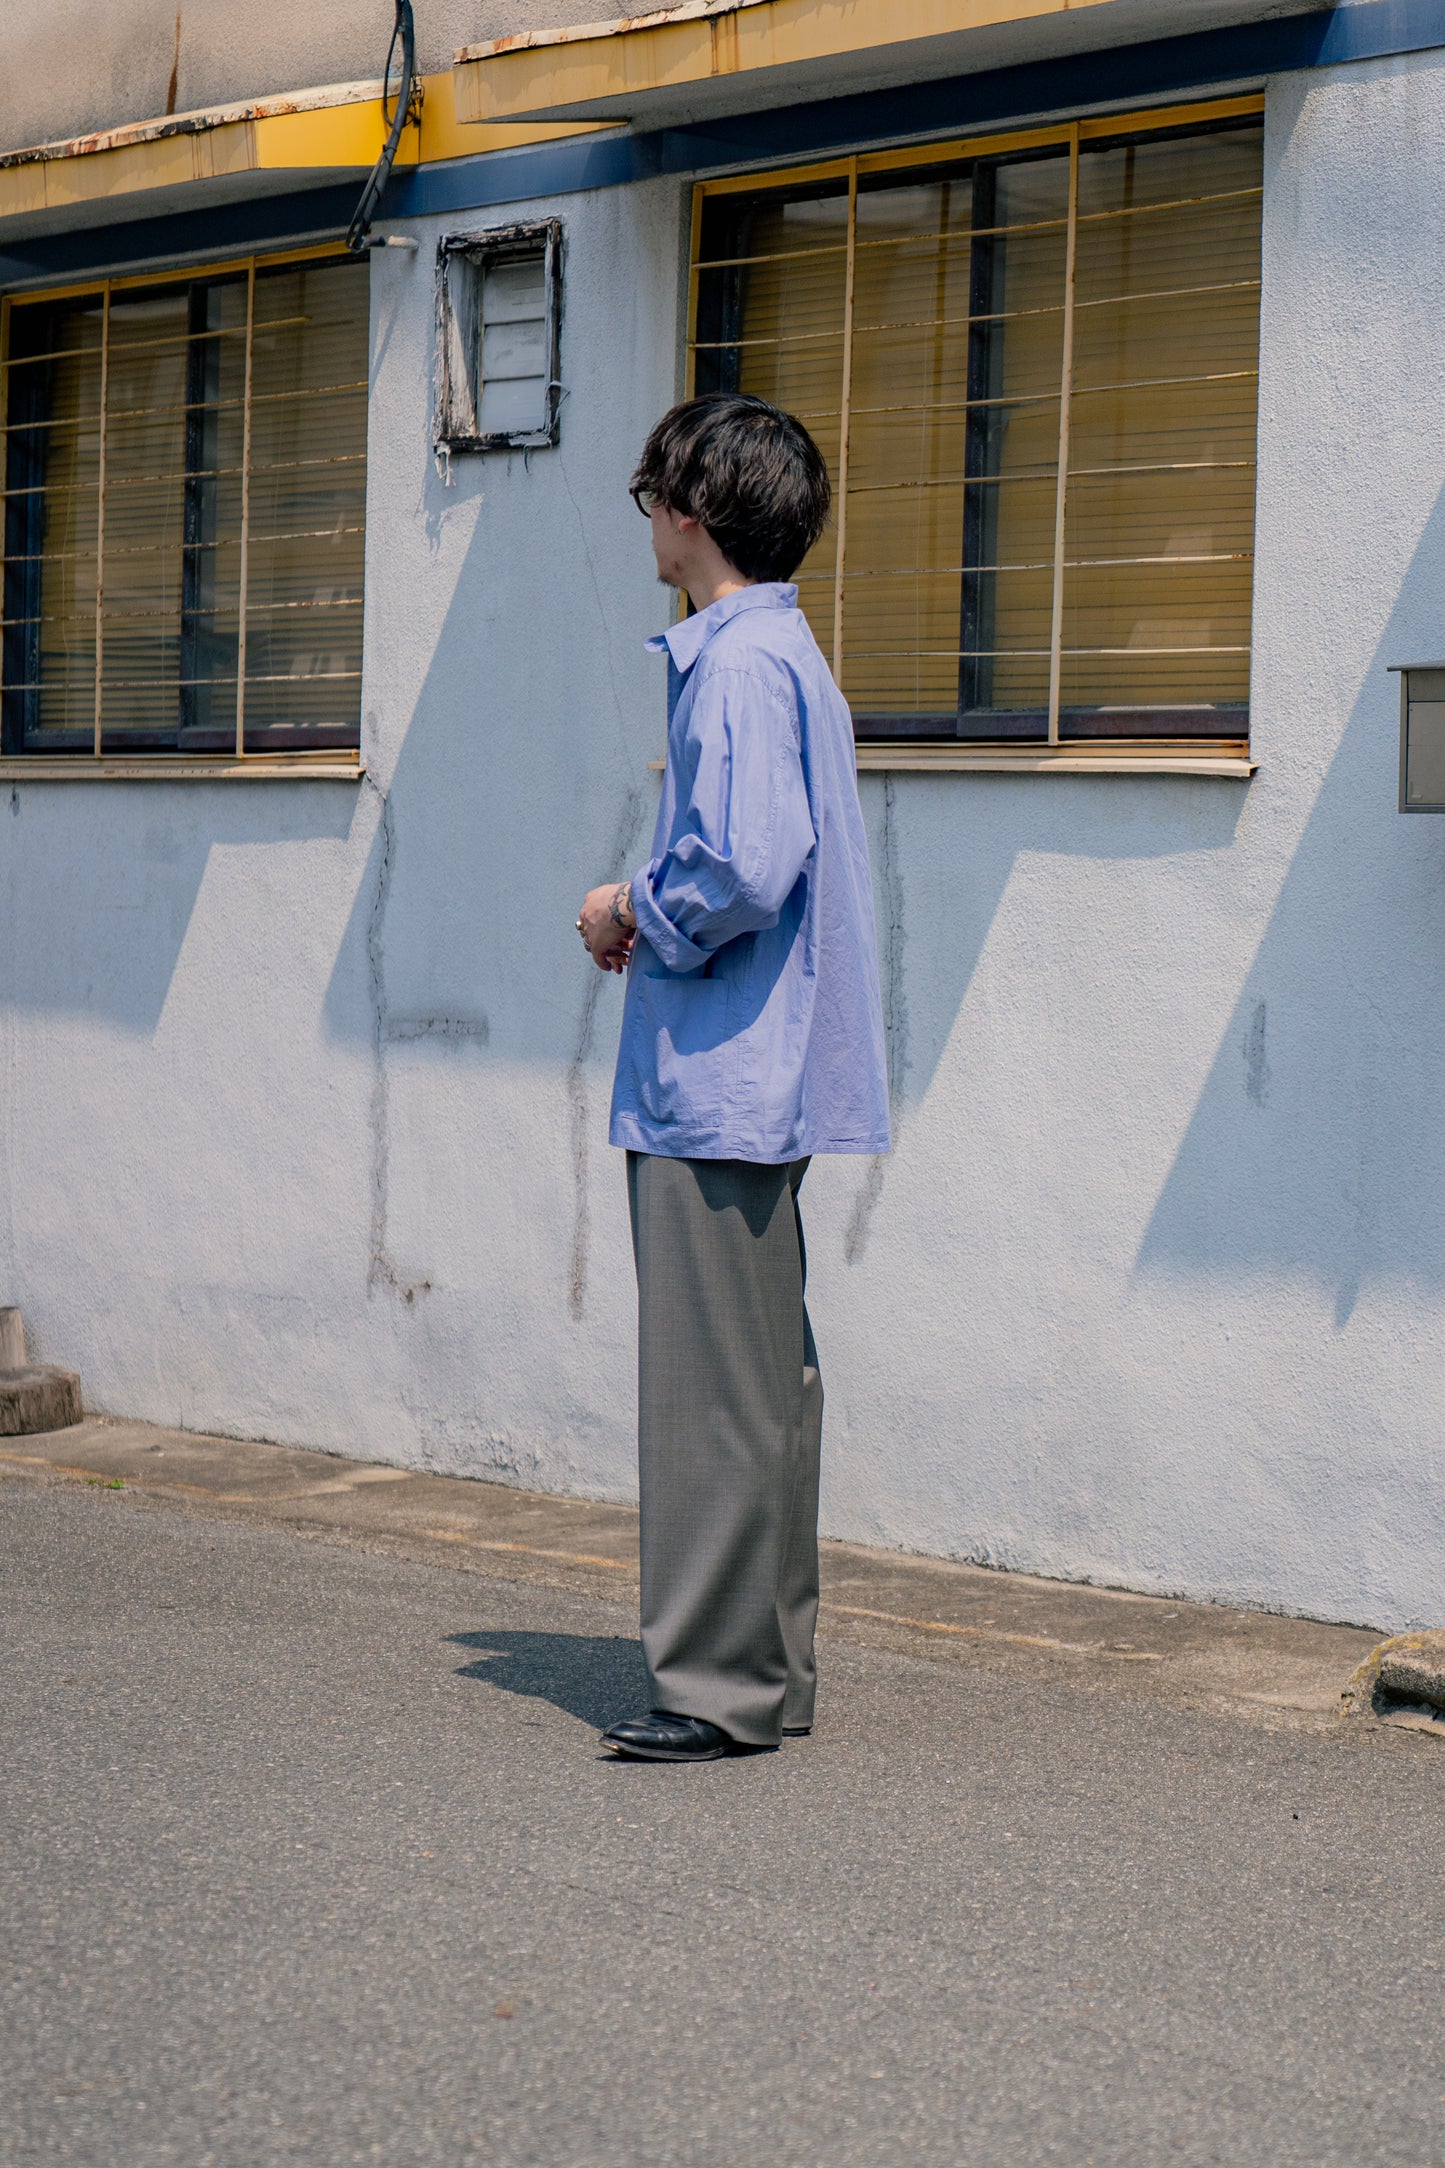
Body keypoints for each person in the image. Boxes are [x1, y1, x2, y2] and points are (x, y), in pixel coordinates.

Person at [574, 392, 889, 1762]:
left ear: (690, 511)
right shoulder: (779, 652)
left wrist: (629, 908)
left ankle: (714, 1688)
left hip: (717, 1077)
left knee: (711, 1394)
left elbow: (745, 867)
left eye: (652, 497)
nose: (648, 520)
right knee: (763, 1388)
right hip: (759, 1074)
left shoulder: (739, 666)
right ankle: (765, 1676)